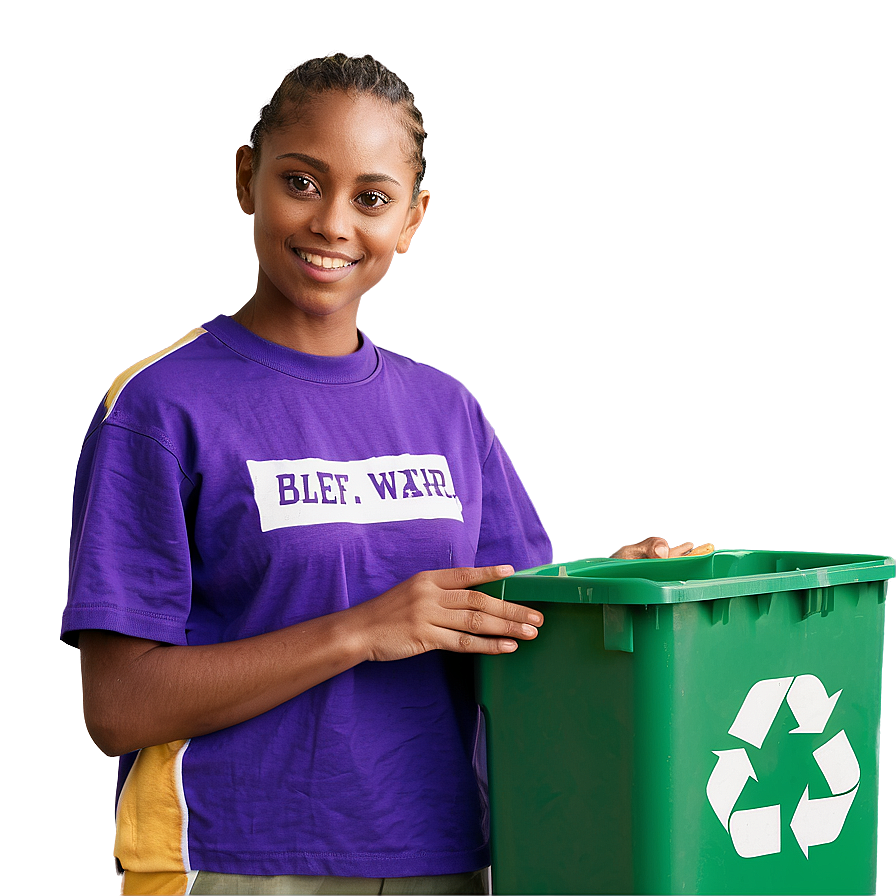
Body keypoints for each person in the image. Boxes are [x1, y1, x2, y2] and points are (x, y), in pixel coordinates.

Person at [61, 54, 699, 896]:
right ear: (246, 176)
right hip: (234, 863)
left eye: (370, 198)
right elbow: (117, 707)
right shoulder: (163, 404)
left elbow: (515, 630)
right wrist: (363, 630)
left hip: (446, 855)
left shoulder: (448, 413)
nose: (332, 222)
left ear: (410, 220)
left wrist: (635, 587)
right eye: (301, 181)